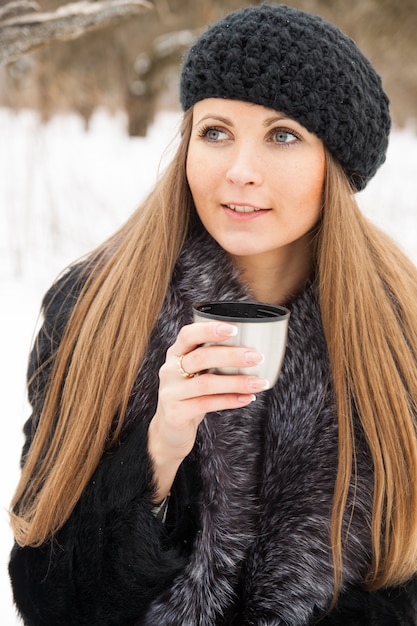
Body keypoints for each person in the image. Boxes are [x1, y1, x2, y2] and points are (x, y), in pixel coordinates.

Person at [8, 3, 417, 624]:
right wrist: (156, 455)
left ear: (337, 164)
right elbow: (45, 593)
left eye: (283, 136)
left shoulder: (400, 325)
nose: (239, 172)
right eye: (215, 132)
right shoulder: (94, 309)